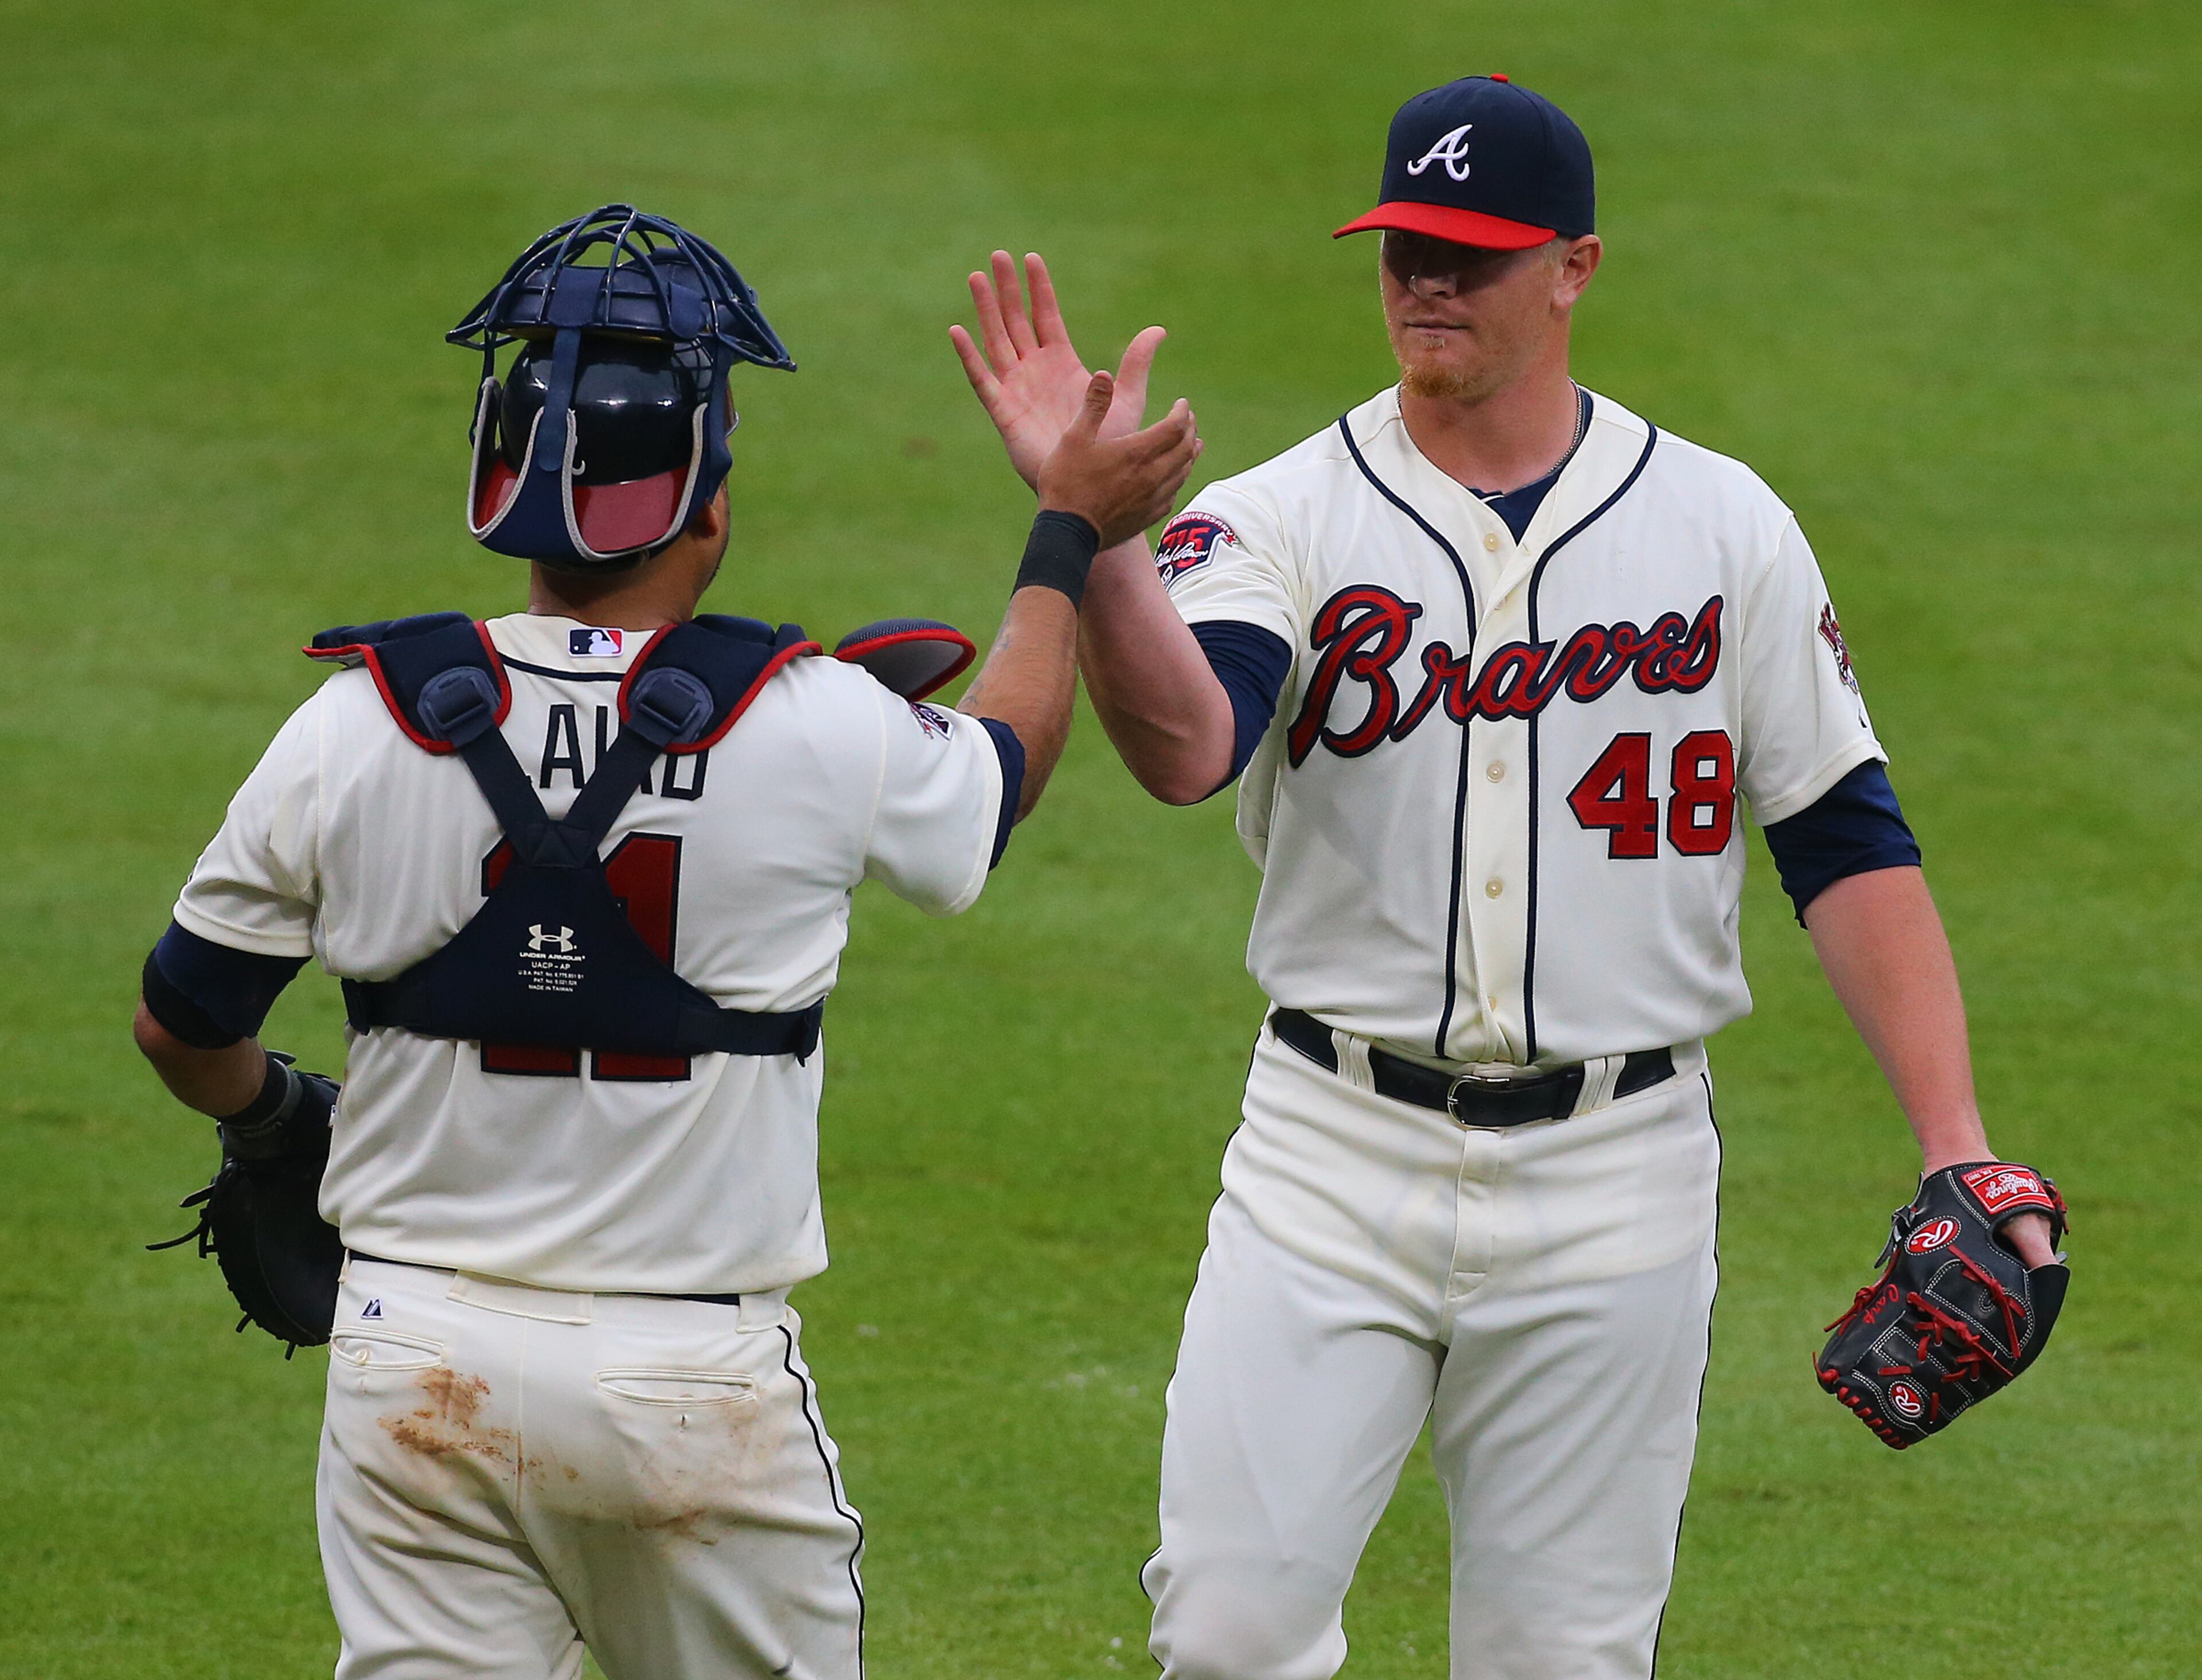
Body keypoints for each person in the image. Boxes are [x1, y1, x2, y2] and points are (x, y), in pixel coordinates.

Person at [952, 78, 2060, 1680]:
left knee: (1561, 1662)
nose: (1429, 283)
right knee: (1228, 1630)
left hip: (1618, 1175)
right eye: (1407, 246)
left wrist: (1960, 1146)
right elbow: (1190, 744)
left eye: (1472, 254)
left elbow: (1842, 835)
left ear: (1574, 269)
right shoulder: (1280, 516)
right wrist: (1098, 527)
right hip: (1331, 1157)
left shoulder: (1722, 526)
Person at [132, 204, 1199, 1680]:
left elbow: (182, 1020)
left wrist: (275, 1121)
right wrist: (1066, 527)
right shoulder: (816, 722)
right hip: (688, 1388)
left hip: (412, 1355)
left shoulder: (354, 722)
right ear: (707, 502)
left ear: (493, 487)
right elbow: (1000, 773)